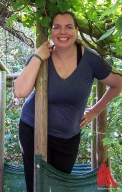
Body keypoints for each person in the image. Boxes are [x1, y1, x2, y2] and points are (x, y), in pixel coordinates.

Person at [14, 11, 122, 192]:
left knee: (58, 187)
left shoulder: (90, 60)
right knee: (35, 185)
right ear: (51, 31)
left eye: (68, 27)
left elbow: (118, 84)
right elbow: (20, 91)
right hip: (31, 129)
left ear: (76, 31)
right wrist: (38, 57)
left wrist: (95, 111)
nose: (62, 32)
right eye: (57, 27)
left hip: (67, 138)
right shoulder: (41, 57)